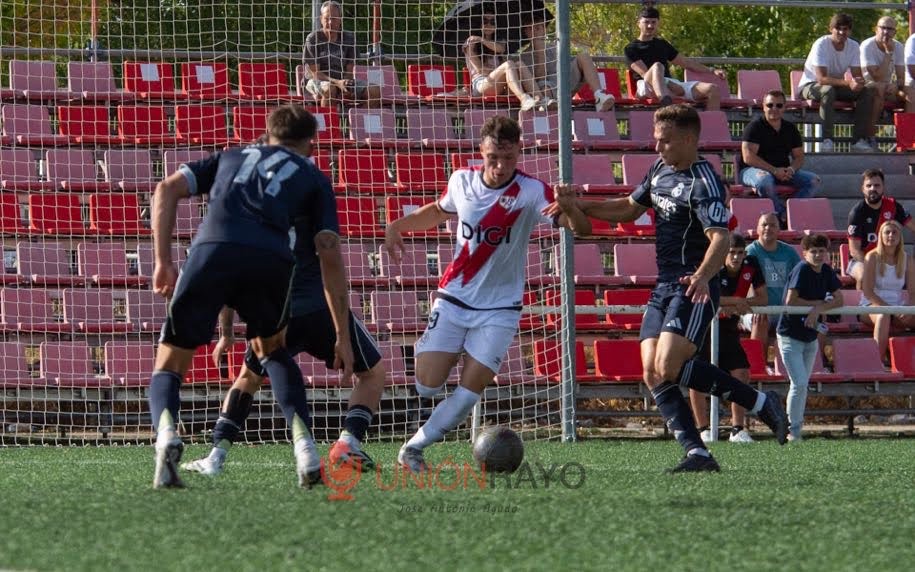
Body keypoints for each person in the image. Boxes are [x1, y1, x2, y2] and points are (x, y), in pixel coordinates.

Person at [554, 104, 788, 472]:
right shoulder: (659, 169)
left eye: (665, 141)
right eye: (656, 139)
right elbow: (628, 208)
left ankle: (759, 404)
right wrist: (581, 205)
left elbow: (721, 238)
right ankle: (698, 452)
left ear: (689, 139)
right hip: (665, 285)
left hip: (694, 286)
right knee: (651, 372)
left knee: (668, 365)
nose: (657, 146)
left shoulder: (704, 182)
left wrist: (702, 276)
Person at [148, 104, 352, 489]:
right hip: (271, 259)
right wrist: (341, 328)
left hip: (212, 249)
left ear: (268, 133)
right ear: (311, 143)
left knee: (171, 359)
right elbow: (328, 250)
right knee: (272, 351)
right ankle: (305, 449)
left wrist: (163, 262)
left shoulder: (231, 156)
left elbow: (166, 188)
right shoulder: (314, 177)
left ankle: (167, 435)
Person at [386, 115, 582, 473]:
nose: (500, 166)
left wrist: (569, 208)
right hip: (454, 298)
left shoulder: (531, 190)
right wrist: (398, 225)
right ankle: (443, 356)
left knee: (468, 392)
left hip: (500, 309)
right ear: (481, 151)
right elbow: (438, 210)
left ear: (519, 152)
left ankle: (412, 449)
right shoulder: (461, 180)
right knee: (428, 385)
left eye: (508, 158)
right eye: (493, 157)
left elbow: (578, 227)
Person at [180, 161, 387, 477]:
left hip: (275, 315)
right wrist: (342, 334)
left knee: (248, 379)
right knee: (372, 373)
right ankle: (348, 443)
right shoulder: (313, 198)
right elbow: (331, 263)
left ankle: (215, 457)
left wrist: (226, 332)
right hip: (319, 309)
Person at [690, 233, 767, 444]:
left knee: (741, 373)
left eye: (740, 253)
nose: (736, 257)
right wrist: (735, 301)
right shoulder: (713, 267)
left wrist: (739, 303)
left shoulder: (751, 265)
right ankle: (703, 429)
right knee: (697, 377)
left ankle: (737, 429)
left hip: (729, 328)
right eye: (732, 252)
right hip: (704, 327)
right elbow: (704, 295)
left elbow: (763, 297)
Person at [776, 234, 844, 442]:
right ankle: (792, 431)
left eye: (821, 251)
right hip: (790, 335)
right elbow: (790, 301)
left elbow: (840, 299)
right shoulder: (802, 269)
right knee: (799, 384)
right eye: (813, 251)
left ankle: (794, 429)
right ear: (804, 253)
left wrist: (818, 309)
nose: (818, 255)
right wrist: (817, 306)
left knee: (802, 385)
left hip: (810, 336)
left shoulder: (826, 270)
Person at [797, 12, 878, 152]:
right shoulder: (821, 44)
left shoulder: (854, 46)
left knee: (866, 92)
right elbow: (821, 79)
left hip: (835, 87)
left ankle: (858, 140)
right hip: (810, 85)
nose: (841, 32)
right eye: (838, 28)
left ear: (850, 31)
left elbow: (857, 75)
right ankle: (827, 140)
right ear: (830, 29)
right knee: (828, 91)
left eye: (845, 29)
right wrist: (849, 83)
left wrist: (860, 83)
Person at [739, 90, 821, 227]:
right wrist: (774, 170)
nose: (774, 109)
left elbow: (799, 157)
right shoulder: (754, 127)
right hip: (751, 171)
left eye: (779, 105)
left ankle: (789, 214)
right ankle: (779, 216)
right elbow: (748, 158)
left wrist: (791, 169)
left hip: (782, 171)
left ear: (784, 107)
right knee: (765, 180)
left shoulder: (790, 129)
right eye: (770, 105)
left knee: (814, 181)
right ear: (763, 107)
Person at [623, 6, 726, 111]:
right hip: (646, 86)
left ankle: (710, 121)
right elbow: (645, 74)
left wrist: (712, 70)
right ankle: (665, 103)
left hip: (671, 84)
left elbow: (686, 62)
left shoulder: (662, 44)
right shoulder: (631, 48)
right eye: (646, 22)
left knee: (712, 89)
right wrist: (669, 84)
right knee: (657, 66)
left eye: (653, 22)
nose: (650, 25)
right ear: (638, 23)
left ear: (658, 23)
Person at [518, 9, 615, 112]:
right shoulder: (525, 56)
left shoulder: (555, 46)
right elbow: (538, 80)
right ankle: (550, 105)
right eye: (530, 29)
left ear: (544, 30)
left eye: (538, 28)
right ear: (526, 32)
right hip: (547, 89)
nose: (535, 32)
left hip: (565, 80)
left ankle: (599, 96)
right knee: (544, 87)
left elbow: (569, 64)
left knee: (584, 56)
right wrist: (540, 52)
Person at [745, 213, 802, 365]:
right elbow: (745, 285)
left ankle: (795, 368)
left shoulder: (789, 252)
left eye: (772, 225)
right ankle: (758, 367)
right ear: (757, 229)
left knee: (810, 322)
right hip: (754, 309)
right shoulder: (750, 252)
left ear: (779, 230)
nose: (768, 228)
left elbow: (801, 278)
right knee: (760, 318)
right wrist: (756, 307)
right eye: (764, 224)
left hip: (783, 310)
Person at [302, 1, 381, 107]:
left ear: (340, 19)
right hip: (315, 81)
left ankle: (357, 117)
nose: (330, 22)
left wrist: (347, 84)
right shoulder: (312, 39)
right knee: (330, 89)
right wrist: (337, 82)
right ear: (321, 19)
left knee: (375, 91)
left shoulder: (349, 38)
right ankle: (328, 118)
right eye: (327, 18)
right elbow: (315, 73)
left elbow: (350, 70)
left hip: (342, 81)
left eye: (334, 18)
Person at [463, 9, 544, 112]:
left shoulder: (499, 42)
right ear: (479, 23)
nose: (489, 25)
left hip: (500, 84)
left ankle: (542, 100)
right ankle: (524, 99)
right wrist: (502, 70)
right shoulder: (470, 43)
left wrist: (482, 40)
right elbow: (481, 70)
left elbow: (500, 49)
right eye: (485, 21)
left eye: (493, 22)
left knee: (519, 64)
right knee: (509, 64)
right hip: (482, 85)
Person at [846, 168, 915, 285]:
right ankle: (863, 298)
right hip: (861, 260)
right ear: (863, 189)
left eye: (877, 185)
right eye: (869, 186)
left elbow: (913, 226)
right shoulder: (856, 213)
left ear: (883, 188)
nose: (873, 189)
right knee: (864, 276)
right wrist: (873, 266)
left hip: (890, 259)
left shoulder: (893, 206)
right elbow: (854, 250)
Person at [859, 220, 915, 363]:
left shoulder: (908, 259)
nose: (891, 235)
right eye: (887, 232)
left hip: (897, 308)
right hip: (871, 306)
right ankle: (877, 364)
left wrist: (909, 309)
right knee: (883, 316)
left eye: (894, 232)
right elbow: (868, 292)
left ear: (900, 237)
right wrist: (890, 310)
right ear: (881, 236)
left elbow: (913, 292)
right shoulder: (872, 257)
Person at [861, 16, 915, 119]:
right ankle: (871, 129)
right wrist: (888, 53)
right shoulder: (867, 45)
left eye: (890, 29)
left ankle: (909, 128)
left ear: (895, 32)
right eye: (883, 28)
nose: (886, 32)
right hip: (867, 87)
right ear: (876, 29)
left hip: (888, 88)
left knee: (912, 94)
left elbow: (901, 78)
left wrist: (896, 85)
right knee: (880, 88)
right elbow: (877, 77)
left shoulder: (898, 46)